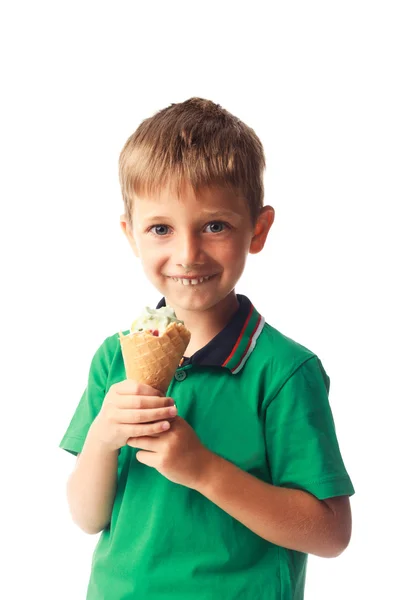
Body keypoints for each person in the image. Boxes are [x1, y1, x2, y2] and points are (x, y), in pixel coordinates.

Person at [60, 97, 354, 600]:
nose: (188, 253)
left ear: (257, 230)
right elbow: (88, 518)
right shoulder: (116, 356)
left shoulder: (283, 370)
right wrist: (103, 439)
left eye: (214, 226)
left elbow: (330, 534)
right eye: (161, 229)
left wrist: (203, 469)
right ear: (131, 235)